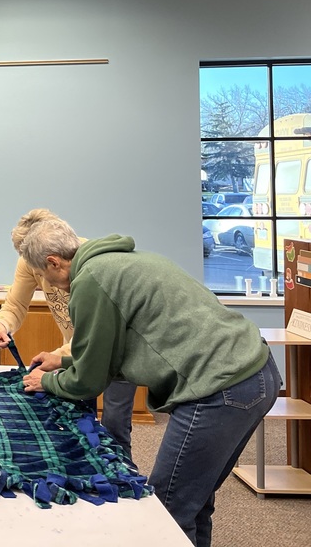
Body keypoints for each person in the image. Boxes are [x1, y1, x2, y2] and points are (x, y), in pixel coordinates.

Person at [17, 215, 280, 547]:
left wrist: (48, 382)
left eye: (43, 275)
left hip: (220, 388)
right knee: (195, 500)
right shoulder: (121, 261)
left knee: (166, 513)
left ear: (54, 262)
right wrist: (63, 360)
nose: (48, 284)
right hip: (256, 372)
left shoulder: (91, 280)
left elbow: (88, 381)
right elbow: (118, 349)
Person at [0, 208, 138, 458]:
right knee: (80, 416)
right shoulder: (30, 260)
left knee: (115, 426)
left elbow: (94, 335)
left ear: (52, 257)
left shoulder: (90, 264)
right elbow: (16, 304)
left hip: (119, 352)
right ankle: (87, 469)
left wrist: (56, 360)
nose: (35, 268)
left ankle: (122, 480)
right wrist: (1, 325)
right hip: (75, 353)